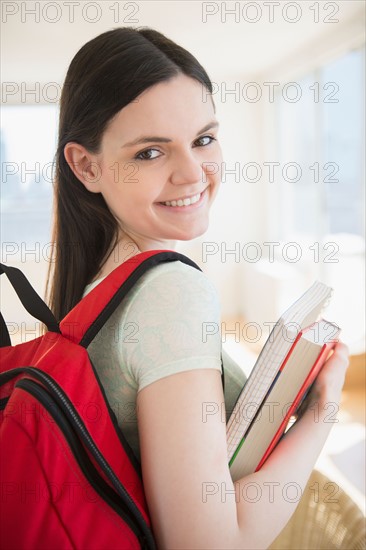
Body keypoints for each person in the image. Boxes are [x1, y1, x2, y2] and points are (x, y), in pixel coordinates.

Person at [47, 27, 349, 549]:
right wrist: (323, 414)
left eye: (204, 139)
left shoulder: (94, 286)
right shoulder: (171, 292)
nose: (193, 174)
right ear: (86, 165)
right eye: (149, 153)